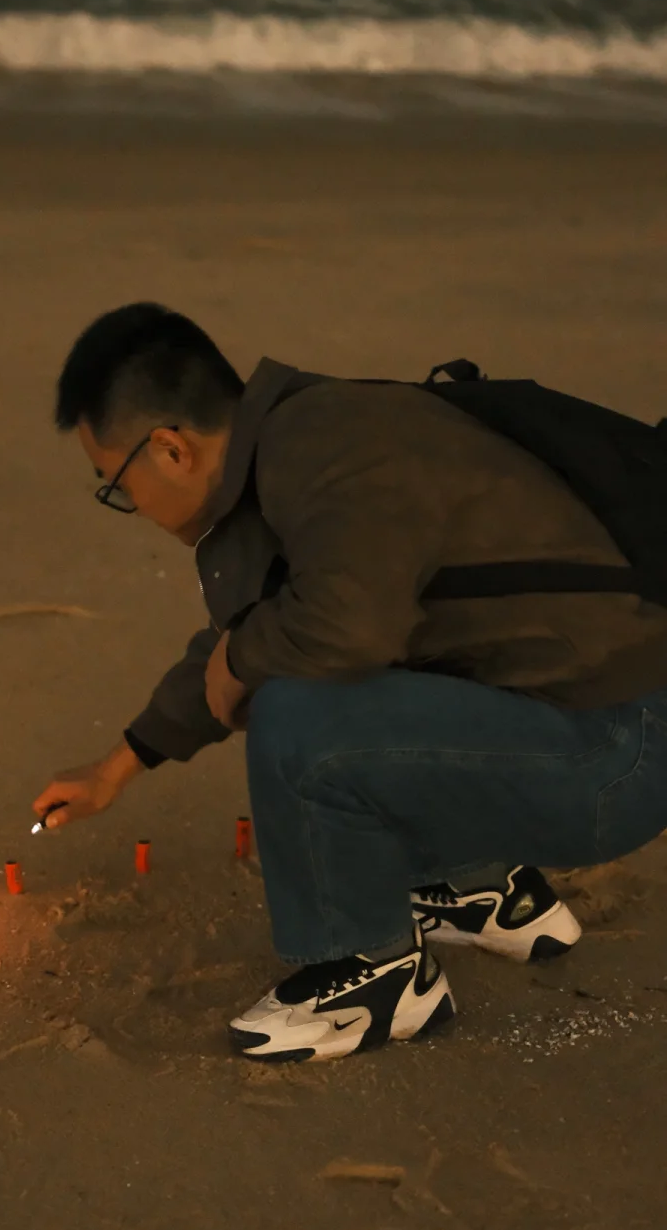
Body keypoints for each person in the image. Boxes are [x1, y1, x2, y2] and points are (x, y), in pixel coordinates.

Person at [33, 304, 667, 1063]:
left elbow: (341, 629)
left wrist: (242, 658)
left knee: (299, 712)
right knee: (297, 661)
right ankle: (474, 891)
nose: (129, 505)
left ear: (170, 448)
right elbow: (254, 628)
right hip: (578, 718)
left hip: (619, 751)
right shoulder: (298, 443)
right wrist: (117, 766)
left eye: (116, 484)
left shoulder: (333, 449)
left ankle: (374, 975)